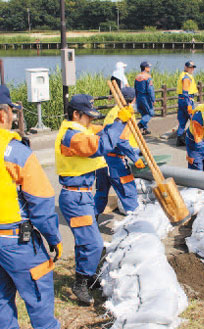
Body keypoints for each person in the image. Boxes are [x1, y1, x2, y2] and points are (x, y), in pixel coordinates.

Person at [55, 94, 133, 305]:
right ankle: (80, 282)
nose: (91, 120)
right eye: (88, 116)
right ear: (76, 114)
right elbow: (100, 146)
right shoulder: (72, 136)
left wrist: (116, 124)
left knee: (86, 242)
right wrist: (119, 122)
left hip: (81, 195)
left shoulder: (80, 130)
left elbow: (103, 134)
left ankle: (88, 278)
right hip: (75, 196)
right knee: (93, 243)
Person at [0, 85, 62, 329]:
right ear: (3, 115)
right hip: (17, 243)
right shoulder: (16, 152)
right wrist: (53, 239)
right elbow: (42, 204)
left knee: (2, 305)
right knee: (39, 301)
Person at [94, 87, 146, 220]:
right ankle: (135, 223)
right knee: (128, 192)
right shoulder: (123, 115)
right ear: (134, 99)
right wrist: (135, 158)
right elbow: (121, 141)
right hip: (115, 160)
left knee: (101, 193)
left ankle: (91, 221)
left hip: (102, 161)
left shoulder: (114, 111)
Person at [176, 61, 198, 146]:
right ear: (186, 67)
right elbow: (185, 92)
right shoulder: (186, 78)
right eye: (190, 67)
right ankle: (194, 138)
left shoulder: (183, 75)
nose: (192, 69)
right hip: (187, 99)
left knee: (182, 120)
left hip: (181, 99)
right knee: (194, 119)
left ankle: (180, 138)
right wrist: (189, 104)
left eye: (193, 67)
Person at [134, 61, 155, 135]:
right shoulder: (148, 77)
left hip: (139, 96)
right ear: (145, 68)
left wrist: (135, 98)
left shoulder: (137, 77)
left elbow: (135, 88)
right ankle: (140, 124)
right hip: (146, 97)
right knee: (150, 113)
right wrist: (153, 99)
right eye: (148, 67)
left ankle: (145, 129)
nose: (149, 68)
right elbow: (150, 89)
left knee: (143, 113)